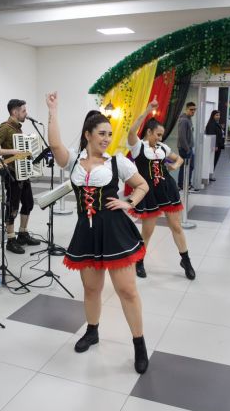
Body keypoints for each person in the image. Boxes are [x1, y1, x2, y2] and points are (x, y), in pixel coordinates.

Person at [45, 91, 151, 374]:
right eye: (101, 133)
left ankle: (139, 345)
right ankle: (92, 331)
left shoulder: (119, 162)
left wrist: (129, 202)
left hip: (115, 231)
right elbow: (55, 145)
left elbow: (143, 186)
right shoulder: (74, 162)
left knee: (127, 291)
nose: (106, 138)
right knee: (92, 288)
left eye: (109, 133)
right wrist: (53, 111)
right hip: (86, 231)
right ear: (88, 135)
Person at [127, 100, 196, 280]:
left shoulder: (162, 148)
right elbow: (132, 131)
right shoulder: (138, 146)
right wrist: (147, 110)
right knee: (148, 230)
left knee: (176, 226)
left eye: (162, 135)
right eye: (157, 134)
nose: (160, 138)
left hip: (167, 189)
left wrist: (175, 165)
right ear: (149, 131)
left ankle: (186, 260)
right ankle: (140, 261)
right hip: (149, 193)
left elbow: (179, 158)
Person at [0, 99, 40, 254]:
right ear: (14, 112)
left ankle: (22, 233)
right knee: (12, 207)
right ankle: (10, 240)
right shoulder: (5, 127)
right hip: (11, 173)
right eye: (23, 111)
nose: (26, 113)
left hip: (23, 173)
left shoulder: (18, 129)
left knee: (29, 203)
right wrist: (13, 152)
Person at [177, 102, 199, 192]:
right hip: (184, 148)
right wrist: (187, 149)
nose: (193, 111)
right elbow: (182, 137)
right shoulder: (184, 120)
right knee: (187, 166)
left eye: (194, 109)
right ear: (186, 109)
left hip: (188, 148)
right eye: (191, 109)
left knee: (189, 166)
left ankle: (184, 185)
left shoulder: (189, 119)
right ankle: (184, 185)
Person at [204, 109, 224, 180]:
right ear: (213, 116)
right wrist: (214, 145)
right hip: (214, 147)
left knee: (214, 161)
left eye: (219, 115)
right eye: (216, 115)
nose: (218, 116)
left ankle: (210, 175)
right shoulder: (211, 124)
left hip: (218, 145)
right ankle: (209, 176)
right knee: (212, 161)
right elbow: (211, 135)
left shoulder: (216, 123)